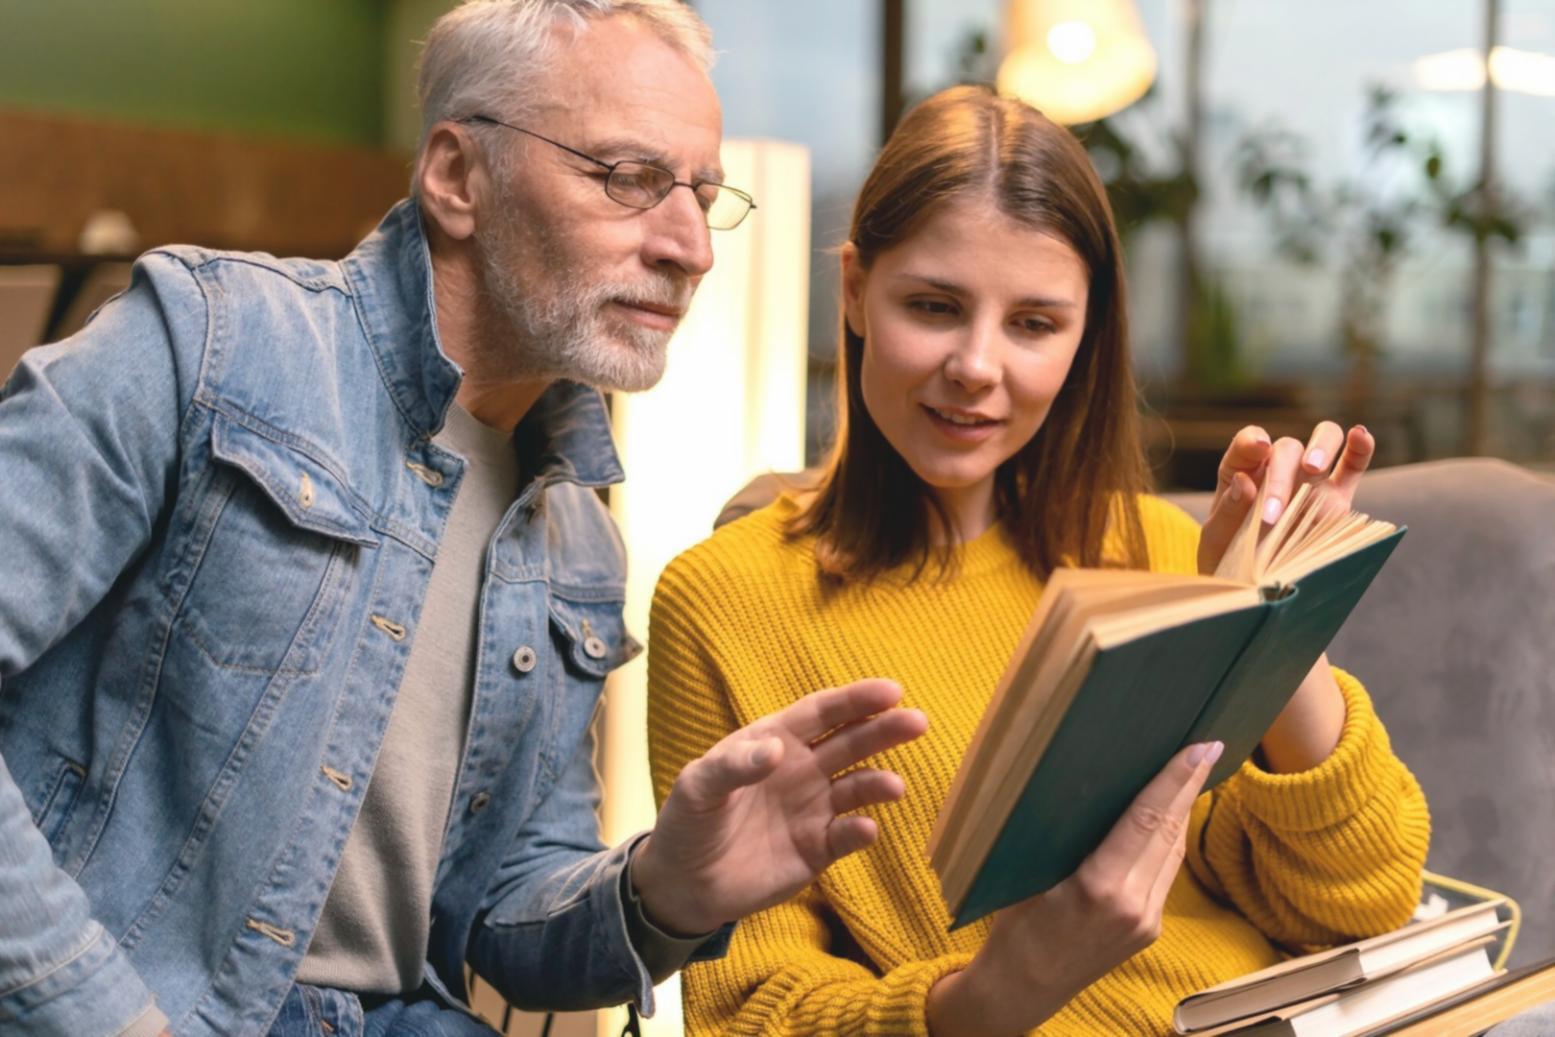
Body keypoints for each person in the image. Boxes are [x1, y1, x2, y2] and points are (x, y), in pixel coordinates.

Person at [0, 2, 929, 1035]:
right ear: (456, 177)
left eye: (704, 196)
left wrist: (667, 886)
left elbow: (497, 917)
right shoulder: (206, 346)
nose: (689, 247)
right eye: (629, 178)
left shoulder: (576, 535)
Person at [646, 85, 1434, 1036]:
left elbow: (1363, 899)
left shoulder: (1158, 550)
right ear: (853, 289)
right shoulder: (727, 600)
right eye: (934, 306)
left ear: (1084, 332)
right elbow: (743, 1012)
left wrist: (1275, 609)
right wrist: (996, 994)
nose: (977, 365)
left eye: (1033, 323)